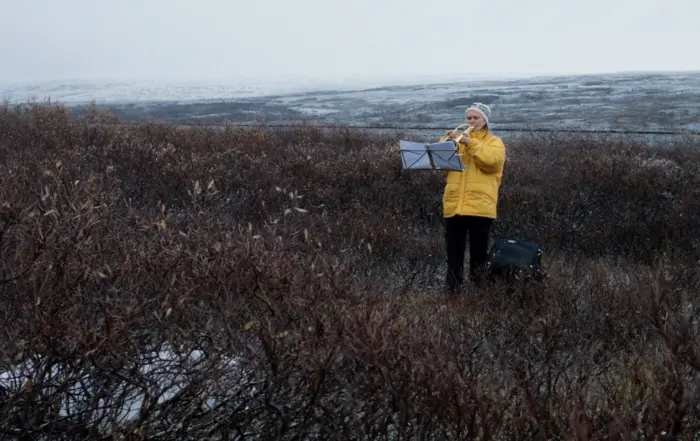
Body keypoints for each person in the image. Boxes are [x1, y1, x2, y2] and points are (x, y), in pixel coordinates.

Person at [439, 103, 506, 292]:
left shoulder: (494, 142)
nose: (471, 121)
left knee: (478, 255)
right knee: (453, 255)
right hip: (454, 205)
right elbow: (443, 168)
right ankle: (452, 293)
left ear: (485, 120)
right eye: (469, 118)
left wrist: (471, 143)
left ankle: (477, 295)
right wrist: (445, 143)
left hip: (480, 206)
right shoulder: (458, 140)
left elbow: (492, 163)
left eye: (476, 118)